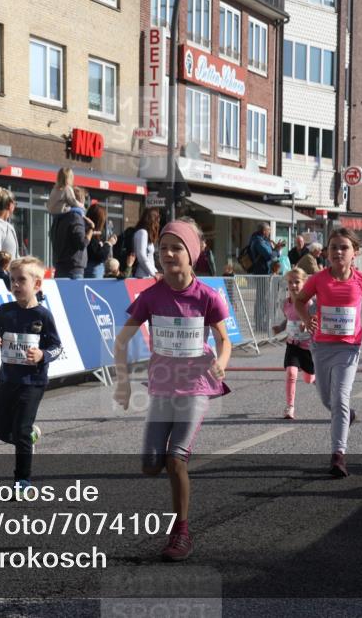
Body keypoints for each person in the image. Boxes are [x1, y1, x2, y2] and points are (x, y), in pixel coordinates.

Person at [113, 218, 232, 562]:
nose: (167, 253)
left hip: (195, 388)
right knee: (151, 465)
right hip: (162, 389)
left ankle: (181, 531)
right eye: (163, 247)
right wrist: (122, 383)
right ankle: (175, 508)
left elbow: (224, 340)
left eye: (176, 247)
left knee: (175, 459)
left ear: (191, 254)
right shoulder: (151, 297)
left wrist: (221, 361)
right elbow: (122, 341)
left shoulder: (207, 297)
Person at [295, 228, 362, 478]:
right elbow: (299, 300)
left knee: (340, 398)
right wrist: (307, 318)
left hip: (349, 347)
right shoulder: (318, 279)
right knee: (326, 400)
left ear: (355, 253)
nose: (338, 252)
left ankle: (338, 455)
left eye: (344, 247)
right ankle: (347, 416)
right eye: (333, 247)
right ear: (327, 252)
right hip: (321, 347)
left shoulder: (361, 279)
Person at [0, 257, 63, 492]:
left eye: (21, 280)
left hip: (32, 382)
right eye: (12, 280)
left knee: (21, 430)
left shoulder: (43, 316)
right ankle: (29, 437)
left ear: (37, 284)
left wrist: (42, 355)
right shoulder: (5, 311)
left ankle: (22, 480)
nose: (15, 285)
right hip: (7, 379)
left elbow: (57, 346)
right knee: (0, 431)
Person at [271, 268, 315, 420]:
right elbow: (289, 319)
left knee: (309, 379)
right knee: (291, 373)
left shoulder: (310, 303)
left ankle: (312, 376)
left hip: (308, 346)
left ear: (304, 283)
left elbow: (316, 319)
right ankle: (290, 407)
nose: (294, 285)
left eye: (297, 282)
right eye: (290, 282)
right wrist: (280, 327)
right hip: (293, 345)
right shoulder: (286, 303)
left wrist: (307, 322)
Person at [51, 187, 93, 279]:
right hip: (74, 269)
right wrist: (91, 229)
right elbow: (82, 243)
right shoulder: (76, 216)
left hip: (60, 266)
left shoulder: (58, 217)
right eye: (84, 200)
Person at [85, 203, 117, 279]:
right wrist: (109, 243)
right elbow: (99, 256)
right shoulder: (90, 233)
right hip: (92, 271)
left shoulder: (89, 232)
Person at [132, 207, 161, 278]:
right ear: (153, 219)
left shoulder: (145, 233)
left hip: (147, 274)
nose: (159, 221)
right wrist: (154, 273)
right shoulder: (142, 232)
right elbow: (141, 256)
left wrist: (155, 271)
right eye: (158, 218)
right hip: (142, 276)